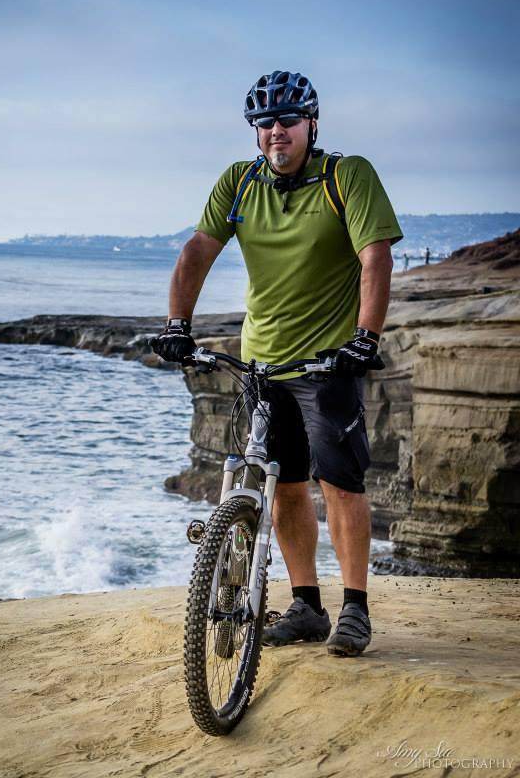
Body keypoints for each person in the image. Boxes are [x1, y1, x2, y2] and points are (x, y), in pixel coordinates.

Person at [152, 70, 402, 657]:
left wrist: (365, 338)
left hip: (327, 366)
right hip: (262, 364)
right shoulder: (240, 184)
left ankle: (356, 610)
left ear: (312, 124)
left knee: (338, 484)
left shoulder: (347, 176)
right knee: (285, 486)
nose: (275, 132)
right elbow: (197, 251)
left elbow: (377, 259)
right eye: (264, 123)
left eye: (287, 120)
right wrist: (177, 325)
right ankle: (308, 606)